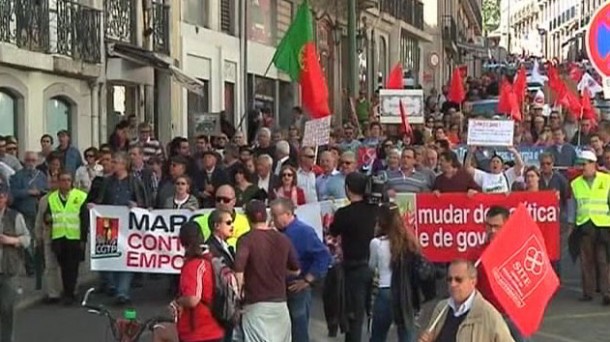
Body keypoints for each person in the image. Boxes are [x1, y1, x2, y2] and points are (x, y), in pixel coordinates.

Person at [234, 200, 301, 342]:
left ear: (247, 217)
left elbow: (239, 271)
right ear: (267, 216)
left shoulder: (246, 240)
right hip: (280, 305)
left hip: (255, 305)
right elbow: (296, 270)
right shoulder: (283, 239)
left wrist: (238, 295)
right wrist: (279, 272)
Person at [270, 198, 331, 342]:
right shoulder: (278, 232)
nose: (272, 220)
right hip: (280, 288)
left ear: (287, 214)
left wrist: (307, 280)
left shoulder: (304, 231)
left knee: (298, 328)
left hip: (297, 288)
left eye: (275, 216)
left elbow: (323, 255)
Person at [91, 152, 147, 304]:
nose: (112, 164)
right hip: (109, 224)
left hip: (128, 226)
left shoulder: (134, 182)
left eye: (115, 162)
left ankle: (122, 292)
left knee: (126, 257)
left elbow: (145, 203)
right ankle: (114, 285)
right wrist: (95, 207)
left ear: (123, 164)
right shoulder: (107, 182)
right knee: (111, 256)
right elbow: (100, 200)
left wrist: (136, 206)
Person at [329, 172, 379, 342]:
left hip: (354, 269)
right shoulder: (376, 210)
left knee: (354, 318)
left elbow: (333, 231)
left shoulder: (344, 213)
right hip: (376, 268)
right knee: (377, 316)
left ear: (348, 190)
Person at [418, 260, 514, 342]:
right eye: (449, 279)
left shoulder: (489, 315)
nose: (453, 284)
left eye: (458, 280)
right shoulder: (441, 308)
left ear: (473, 281)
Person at [369, 203, 422, 342]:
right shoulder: (410, 242)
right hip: (405, 291)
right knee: (406, 335)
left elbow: (371, 266)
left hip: (385, 290)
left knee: (378, 336)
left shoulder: (377, 243)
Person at [476, 206, 528, 341]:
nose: (492, 230)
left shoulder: (517, 251)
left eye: (497, 226)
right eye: (488, 226)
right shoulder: (477, 254)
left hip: (512, 315)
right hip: (487, 316)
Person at [171, 222, 225, 342]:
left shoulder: (194, 265)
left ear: (182, 241)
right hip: (215, 326)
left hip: (199, 331)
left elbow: (192, 299)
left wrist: (177, 301)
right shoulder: (210, 259)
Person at [569, 149, 610, 305]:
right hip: (584, 225)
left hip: (603, 225)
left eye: (585, 164)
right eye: (580, 164)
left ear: (594, 164)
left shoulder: (607, 180)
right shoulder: (575, 184)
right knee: (587, 261)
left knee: (604, 260)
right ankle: (588, 292)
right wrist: (572, 225)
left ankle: (607, 292)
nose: (582, 167)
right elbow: (573, 206)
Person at [45, 171, 87, 305]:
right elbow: (48, 215)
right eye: (63, 180)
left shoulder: (80, 196)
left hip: (74, 237)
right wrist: (48, 218)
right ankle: (67, 291)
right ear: (58, 182)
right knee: (63, 267)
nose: (65, 182)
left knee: (72, 267)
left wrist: (83, 239)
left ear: (72, 182)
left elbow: (84, 219)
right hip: (59, 237)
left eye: (68, 180)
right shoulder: (52, 198)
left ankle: (70, 293)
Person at [0, 184, 31, 341]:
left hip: (8, 268)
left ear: (6, 198)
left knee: (6, 309)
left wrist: (11, 240)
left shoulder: (15, 216)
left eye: (1, 196)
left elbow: (26, 239)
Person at [10, 151, 48, 276]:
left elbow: (47, 190)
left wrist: (40, 192)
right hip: (24, 212)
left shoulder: (41, 175)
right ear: (24, 161)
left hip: (39, 212)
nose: (31, 163)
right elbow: (13, 193)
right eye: (28, 160)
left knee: (40, 240)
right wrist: (28, 192)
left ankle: (41, 265)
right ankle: (31, 267)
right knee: (28, 241)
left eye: (33, 160)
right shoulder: (17, 176)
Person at [205, 209, 237, 342]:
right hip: (220, 304)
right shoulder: (210, 248)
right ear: (217, 226)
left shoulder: (226, 246)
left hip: (227, 304)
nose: (232, 226)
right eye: (228, 223)